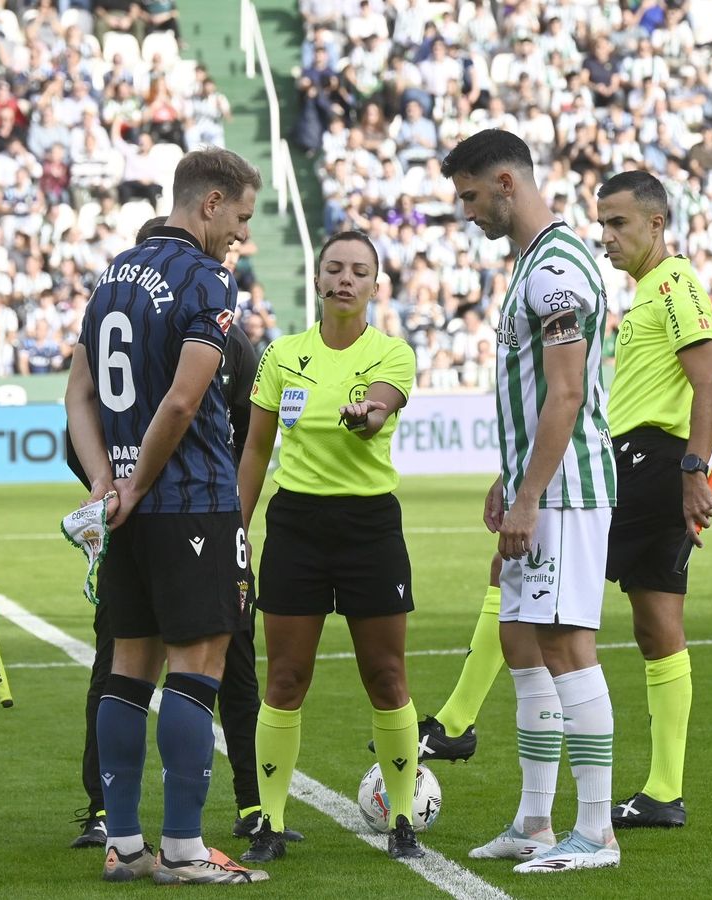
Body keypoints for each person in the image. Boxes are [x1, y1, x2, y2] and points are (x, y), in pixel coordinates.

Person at [64, 148, 268, 885]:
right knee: (198, 665)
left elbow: (77, 396)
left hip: (127, 513)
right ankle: (183, 849)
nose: (241, 235)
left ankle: (123, 843)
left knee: (127, 667)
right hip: (192, 502)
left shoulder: (114, 273)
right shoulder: (206, 278)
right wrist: (140, 483)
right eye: (241, 217)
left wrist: (106, 484)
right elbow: (184, 401)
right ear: (209, 202)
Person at [441, 129, 621, 874]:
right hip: (539, 487)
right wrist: (510, 480)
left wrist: (531, 495)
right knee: (521, 642)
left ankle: (596, 831)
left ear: (508, 182)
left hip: (567, 492)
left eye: (472, 196)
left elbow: (568, 391)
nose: (467, 212)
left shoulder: (555, 268)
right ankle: (536, 820)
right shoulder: (531, 266)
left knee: (565, 644)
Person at [237, 230, 424, 864]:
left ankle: (402, 815)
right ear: (318, 279)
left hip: (371, 526)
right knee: (286, 678)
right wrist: (241, 530)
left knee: (387, 676)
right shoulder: (282, 355)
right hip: (296, 527)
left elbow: (381, 405)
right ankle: (270, 820)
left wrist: (366, 415)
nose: (345, 279)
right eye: (335, 269)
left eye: (359, 271)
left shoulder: (392, 352)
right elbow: (257, 450)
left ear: (376, 285)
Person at [595, 170, 712, 829]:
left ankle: (457, 721)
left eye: (618, 223)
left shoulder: (674, 285)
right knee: (656, 627)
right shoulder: (649, 291)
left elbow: (709, 380)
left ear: (656, 224)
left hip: (651, 462)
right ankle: (664, 793)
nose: (606, 237)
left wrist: (693, 469)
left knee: (528, 571)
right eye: (602, 224)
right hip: (653, 464)